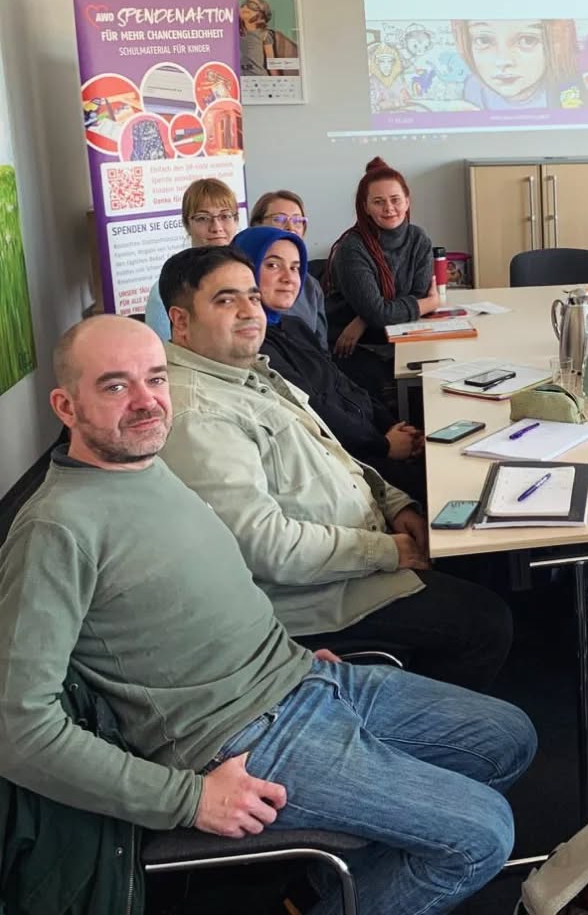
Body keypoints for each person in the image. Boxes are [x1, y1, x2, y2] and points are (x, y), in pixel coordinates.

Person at [0, 315, 533, 915]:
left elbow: (204, 595)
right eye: (116, 386)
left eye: (156, 378)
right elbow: (19, 732)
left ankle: (321, 892)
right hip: (235, 740)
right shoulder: (57, 527)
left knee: (508, 738)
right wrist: (189, 799)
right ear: (65, 407)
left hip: (301, 676)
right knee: (482, 835)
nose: (147, 402)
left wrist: (290, 650)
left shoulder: (151, 466)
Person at [158, 245, 512, 692]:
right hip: (318, 599)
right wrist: (389, 551)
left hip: (354, 548)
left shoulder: (249, 372)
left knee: (479, 548)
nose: (250, 311)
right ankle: (402, 731)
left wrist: (395, 503)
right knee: (487, 622)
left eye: (251, 296)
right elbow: (268, 549)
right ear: (181, 321)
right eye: (226, 300)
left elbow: (334, 453)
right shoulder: (199, 415)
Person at [234, 225, 425, 501]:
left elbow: (341, 382)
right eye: (273, 264)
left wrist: (396, 426)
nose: (289, 278)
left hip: (372, 439)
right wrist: (384, 445)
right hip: (347, 461)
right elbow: (314, 411)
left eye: (296, 267)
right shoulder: (257, 348)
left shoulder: (294, 326)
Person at [324, 157, 440, 401]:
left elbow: (414, 295)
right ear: (365, 207)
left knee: (442, 369)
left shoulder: (418, 239)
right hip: (357, 346)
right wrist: (428, 304)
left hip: (402, 334)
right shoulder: (352, 248)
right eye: (378, 202)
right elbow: (417, 302)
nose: (389, 209)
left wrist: (365, 318)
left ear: (407, 202)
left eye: (395, 200)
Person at [143, 176, 238, 340]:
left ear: (236, 220)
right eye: (202, 218)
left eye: (225, 216)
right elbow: (162, 356)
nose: (216, 227)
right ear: (187, 224)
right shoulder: (166, 291)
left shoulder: (250, 278)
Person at [450, 18, 583, 109]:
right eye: (484, 40)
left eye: (528, 40)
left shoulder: (567, 90)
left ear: (556, 43)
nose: (503, 61)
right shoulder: (473, 89)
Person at [249, 188, 327, 345]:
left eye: (297, 221)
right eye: (279, 219)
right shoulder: (245, 279)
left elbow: (322, 347)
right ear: (257, 225)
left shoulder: (311, 285)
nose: (291, 227)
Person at [238, 0, 299, 78]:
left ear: (261, 13)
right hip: (239, 79)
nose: (245, 7)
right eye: (243, 5)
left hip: (259, 79)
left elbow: (271, 62)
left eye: (252, 5)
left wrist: (277, 82)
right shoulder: (235, 34)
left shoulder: (264, 34)